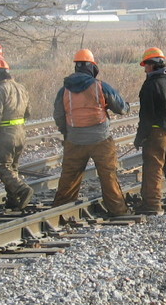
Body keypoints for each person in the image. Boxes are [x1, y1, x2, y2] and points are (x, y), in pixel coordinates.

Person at [52, 49, 131, 216]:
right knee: (108, 176)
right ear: (92, 67)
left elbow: (58, 115)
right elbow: (122, 108)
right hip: (101, 139)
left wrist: (67, 133)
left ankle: (61, 212)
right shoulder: (100, 86)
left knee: (69, 177)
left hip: (74, 140)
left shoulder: (64, 90)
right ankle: (118, 211)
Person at [134, 47, 166, 214]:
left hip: (157, 133)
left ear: (153, 65)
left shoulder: (151, 85)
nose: (144, 69)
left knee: (153, 168)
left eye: (146, 65)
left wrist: (140, 137)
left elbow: (146, 115)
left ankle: (152, 204)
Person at [0, 58, 34, 210]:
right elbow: (28, 112)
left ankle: (23, 190)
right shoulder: (21, 88)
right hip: (21, 133)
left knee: (3, 167)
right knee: (13, 168)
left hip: (6, 135)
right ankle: (13, 200)